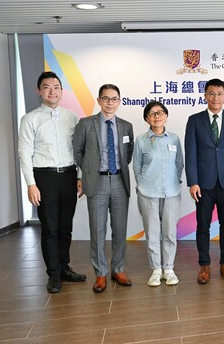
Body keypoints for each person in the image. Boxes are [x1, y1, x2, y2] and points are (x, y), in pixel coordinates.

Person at [18, 71, 87, 293]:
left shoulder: (72, 117)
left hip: (68, 175)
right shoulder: (30, 119)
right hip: (44, 177)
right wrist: (31, 184)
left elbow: (79, 150)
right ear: (39, 91)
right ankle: (53, 274)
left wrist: (79, 177)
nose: (52, 91)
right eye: (46, 87)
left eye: (56, 87)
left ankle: (65, 267)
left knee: (65, 227)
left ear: (61, 91)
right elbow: (24, 153)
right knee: (50, 228)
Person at [73, 83, 134, 293]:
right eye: (106, 98)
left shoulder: (126, 126)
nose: (110, 102)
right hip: (96, 182)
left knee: (119, 229)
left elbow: (128, 154)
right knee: (97, 231)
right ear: (99, 100)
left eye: (114, 98)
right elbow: (78, 152)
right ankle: (100, 273)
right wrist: (87, 173)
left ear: (119, 101)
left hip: (119, 181)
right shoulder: (86, 124)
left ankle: (118, 269)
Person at [185, 78, 224, 284]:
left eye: (220, 93)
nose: (216, 97)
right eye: (211, 93)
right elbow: (190, 153)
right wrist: (193, 181)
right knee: (203, 225)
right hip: (203, 184)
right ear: (205, 96)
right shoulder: (195, 120)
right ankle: (204, 265)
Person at [133, 101, 184, 287]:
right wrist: (142, 185)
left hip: (171, 193)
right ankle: (156, 270)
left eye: (160, 112)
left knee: (170, 232)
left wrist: (174, 181)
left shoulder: (174, 139)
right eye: (152, 113)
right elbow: (136, 167)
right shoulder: (141, 140)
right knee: (153, 233)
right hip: (148, 193)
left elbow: (179, 164)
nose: (157, 116)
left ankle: (169, 269)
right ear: (147, 118)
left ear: (166, 116)